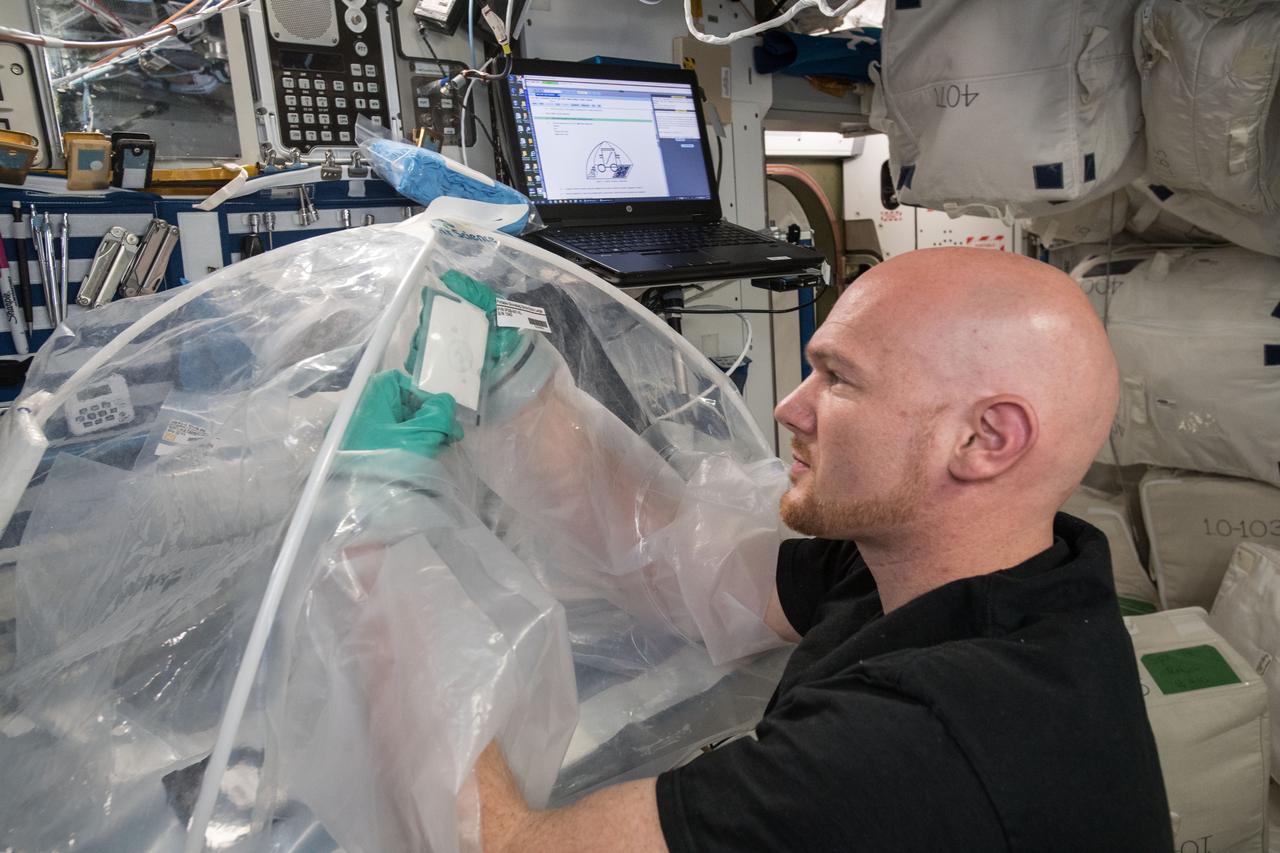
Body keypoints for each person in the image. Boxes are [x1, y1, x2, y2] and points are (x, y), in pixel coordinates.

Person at [469, 247, 1174, 851]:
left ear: (986, 439)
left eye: (838, 378)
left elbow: (507, 845)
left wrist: (385, 533)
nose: (789, 407)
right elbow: (677, 567)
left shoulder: (920, 740)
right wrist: (520, 389)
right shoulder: (989, 566)